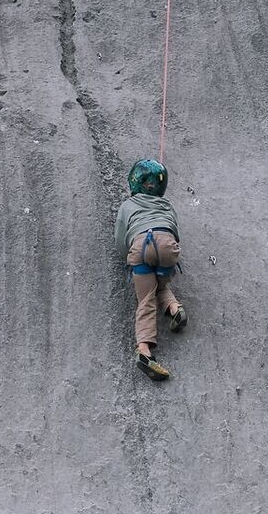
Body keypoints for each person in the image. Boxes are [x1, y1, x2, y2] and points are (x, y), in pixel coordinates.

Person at [113, 159, 188, 381]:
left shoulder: (128, 205)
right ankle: (174, 309)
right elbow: (174, 230)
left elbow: (120, 238)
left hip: (141, 245)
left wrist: (128, 258)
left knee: (146, 297)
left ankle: (144, 350)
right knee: (161, 284)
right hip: (167, 246)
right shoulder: (167, 206)